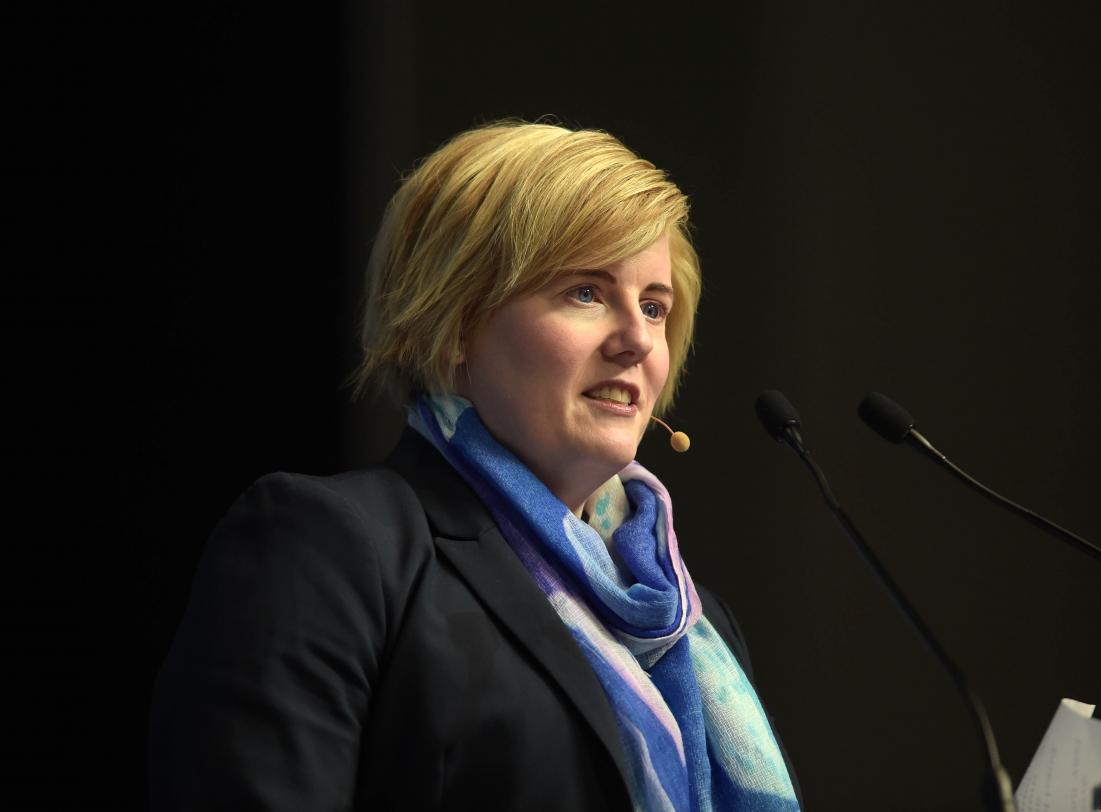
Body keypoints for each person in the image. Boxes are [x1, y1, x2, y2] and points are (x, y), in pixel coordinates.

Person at [149, 120, 803, 811]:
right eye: (585, 291)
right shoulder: (334, 548)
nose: (637, 340)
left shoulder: (689, 618)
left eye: (654, 306)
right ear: (457, 319)